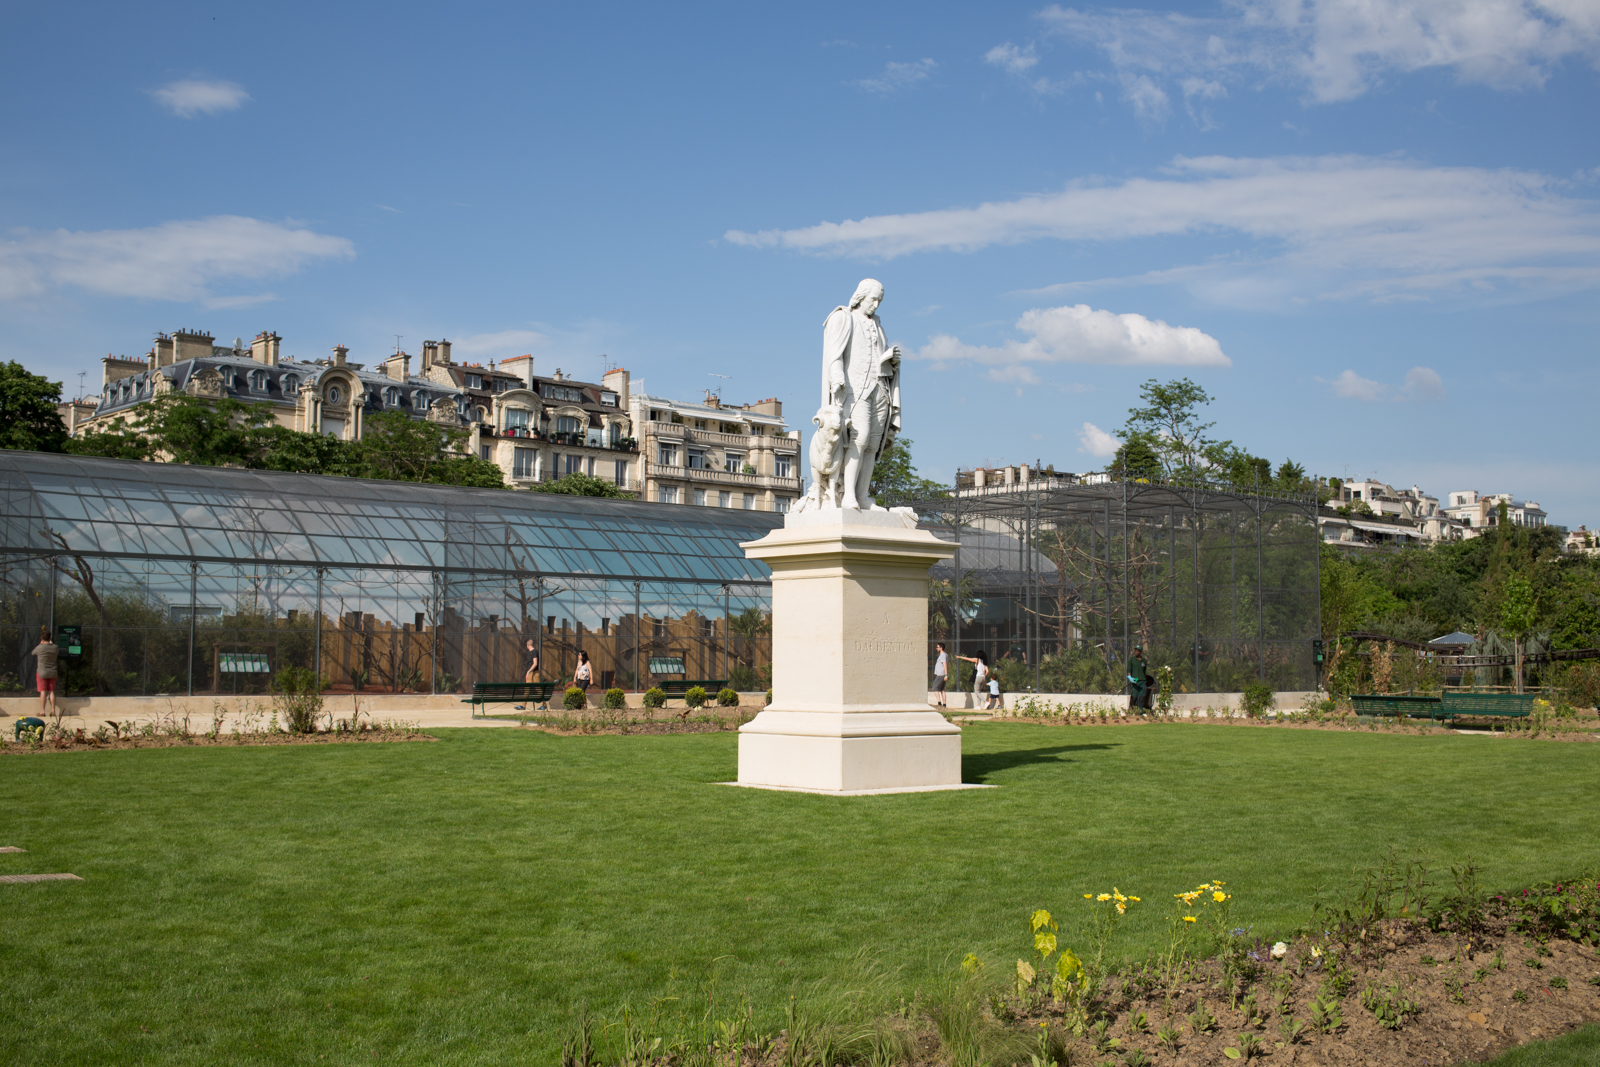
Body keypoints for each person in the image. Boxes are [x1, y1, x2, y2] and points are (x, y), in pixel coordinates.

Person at [32, 626, 59, 720]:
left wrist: (40, 644)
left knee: (43, 691)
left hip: (42, 672)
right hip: (53, 672)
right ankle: (53, 711)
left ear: (41, 638)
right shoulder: (55, 648)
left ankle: (42, 711)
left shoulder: (40, 648)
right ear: (50, 638)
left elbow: (33, 653)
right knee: (51, 691)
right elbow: (56, 650)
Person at [517, 638, 543, 711]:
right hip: (532, 672)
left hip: (533, 673)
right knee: (528, 688)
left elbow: (535, 663)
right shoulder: (532, 652)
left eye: (527, 646)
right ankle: (523, 705)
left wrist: (528, 671)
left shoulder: (534, 652)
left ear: (528, 645)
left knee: (535, 688)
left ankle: (543, 705)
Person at [1127, 645, 1151, 714]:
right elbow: (1129, 670)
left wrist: (1143, 678)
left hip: (1142, 681)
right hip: (1135, 681)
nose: (1136, 652)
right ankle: (1130, 711)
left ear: (1140, 652)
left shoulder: (1144, 661)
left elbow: (1144, 671)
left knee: (1141, 698)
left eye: (1137, 651)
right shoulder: (1132, 660)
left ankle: (1140, 712)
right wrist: (1130, 678)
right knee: (1134, 697)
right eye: (1135, 651)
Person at [931, 642, 948, 707]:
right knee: (942, 689)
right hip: (943, 674)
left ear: (941, 648)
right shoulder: (945, 655)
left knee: (934, 688)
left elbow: (945, 664)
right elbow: (947, 664)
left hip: (941, 674)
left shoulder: (943, 655)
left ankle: (939, 702)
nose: (936, 648)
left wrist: (946, 674)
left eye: (937, 647)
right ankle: (944, 704)